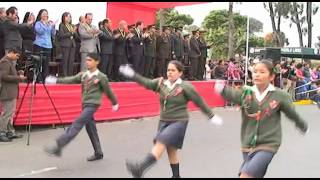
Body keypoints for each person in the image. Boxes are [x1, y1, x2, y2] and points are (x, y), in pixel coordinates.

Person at [119, 60, 223, 178]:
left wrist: (211, 116)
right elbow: (146, 82)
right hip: (164, 121)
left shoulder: (185, 87)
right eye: (168, 70)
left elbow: (199, 101)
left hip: (179, 122)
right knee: (171, 150)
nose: (170, 72)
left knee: (161, 142)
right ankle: (176, 176)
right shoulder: (161, 83)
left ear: (180, 73)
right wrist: (132, 74)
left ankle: (140, 168)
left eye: (173, 70)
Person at [214, 60, 309, 178]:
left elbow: (292, 113)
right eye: (255, 72)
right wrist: (222, 89)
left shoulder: (280, 95)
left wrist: (302, 125)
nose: (257, 74)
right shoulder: (246, 92)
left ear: (271, 76)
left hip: (269, 143)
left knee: (246, 175)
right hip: (248, 143)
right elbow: (233, 95)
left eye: (262, 72)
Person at [44, 53, 119, 161]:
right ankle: (98, 152)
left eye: (90, 60)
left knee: (77, 124)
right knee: (91, 128)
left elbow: (108, 91)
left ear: (97, 62)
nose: (87, 62)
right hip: (85, 104)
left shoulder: (101, 77)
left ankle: (59, 146)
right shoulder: (83, 75)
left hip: (93, 104)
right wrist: (56, 80)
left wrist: (114, 103)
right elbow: (70, 80)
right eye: (87, 60)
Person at [0, 48, 26, 142]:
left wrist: (17, 74)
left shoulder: (9, 62)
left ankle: (10, 132)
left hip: (11, 91)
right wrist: (18, 78)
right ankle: (2, 132)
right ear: (11, 53)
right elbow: (3, 76)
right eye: (17, 55)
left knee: (10, 113)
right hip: (7, 92)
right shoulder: (5, 62)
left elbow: (9, 75)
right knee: (6, 113)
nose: (17, 57)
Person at [33, 9, 57, 80]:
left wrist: (53, 26)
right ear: (40, 15)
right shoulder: (38, 23)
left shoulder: (49, 24)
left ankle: (45, 79)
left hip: (48, 46)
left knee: (46, 64)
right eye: (43, 14)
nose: (45, 15)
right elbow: (40, 31)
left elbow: (53, 34)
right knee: (38, 64)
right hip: (39, 45)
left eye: (46, 14)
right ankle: (38, 79)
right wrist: (47, 26)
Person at [58, 12, 76, 77]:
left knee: (71, 61)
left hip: (72, 45)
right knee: (65, 61)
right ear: (64, 17)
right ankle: (65, 76)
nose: (69, 18)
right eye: (67, 16)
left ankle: (70, 76)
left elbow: (75, 36)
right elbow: (61, 35)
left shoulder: (72, 25)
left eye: (70, 17)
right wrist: (71, 33)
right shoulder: (61, 25)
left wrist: (75, 32)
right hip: (65, 45)